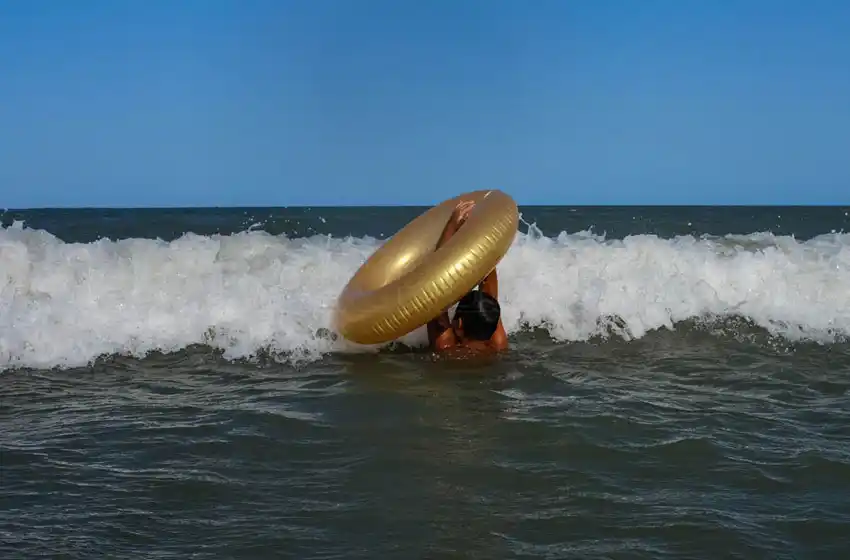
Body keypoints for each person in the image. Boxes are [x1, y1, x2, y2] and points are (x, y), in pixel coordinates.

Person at [427, 200, 509, 355]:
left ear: (458, 324)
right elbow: (489, 290)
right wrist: (478, 229)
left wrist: (452, 225)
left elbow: (435, 286)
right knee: (487, 306)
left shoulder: (445, 347)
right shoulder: (498, 343)